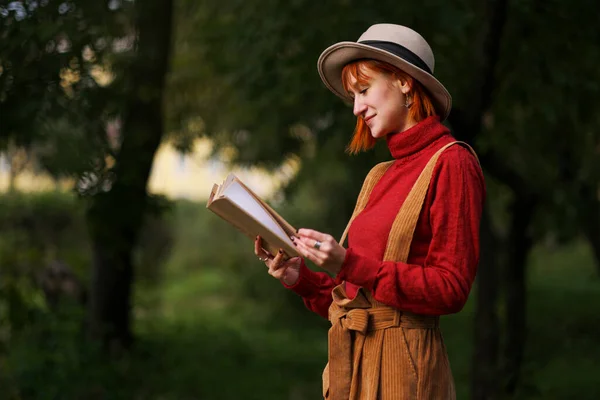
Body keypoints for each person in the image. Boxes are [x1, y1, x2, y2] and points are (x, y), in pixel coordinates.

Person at [254, 23, 485, 400]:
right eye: (353, 97)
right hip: (354, 368)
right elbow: (360, 298)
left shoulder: (452, 163)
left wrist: (348, 262)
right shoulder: (379, 175)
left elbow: (451, 288)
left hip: (406, 374)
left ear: (405, 82)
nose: (357, 108)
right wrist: (302, 278)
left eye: (364, 90)